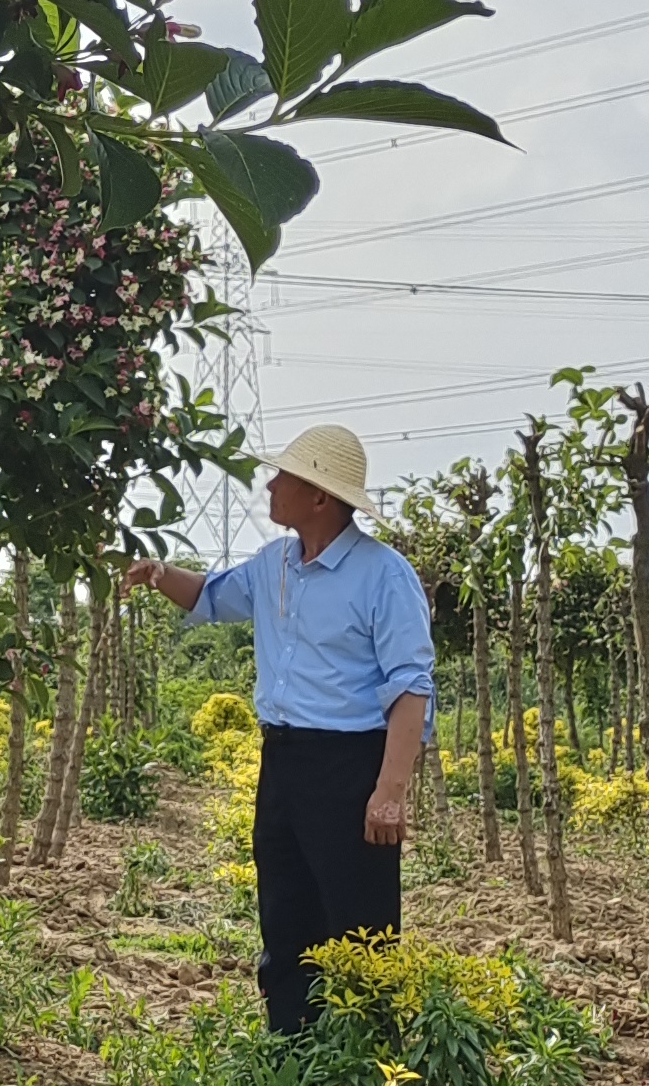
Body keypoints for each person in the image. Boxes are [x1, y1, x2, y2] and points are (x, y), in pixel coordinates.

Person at [123, 424, 434, 1036]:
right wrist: (158, 573)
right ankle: (291, 1042)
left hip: (351, 766)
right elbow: (212, 597)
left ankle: (369, 1055)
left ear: (319, 496)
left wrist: (389, 790)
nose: (270, 485)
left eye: (283, 477)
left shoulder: (384, 576)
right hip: (284, 762)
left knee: (357, 917)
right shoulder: (275, 566)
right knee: (286, 907)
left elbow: (411, 688)